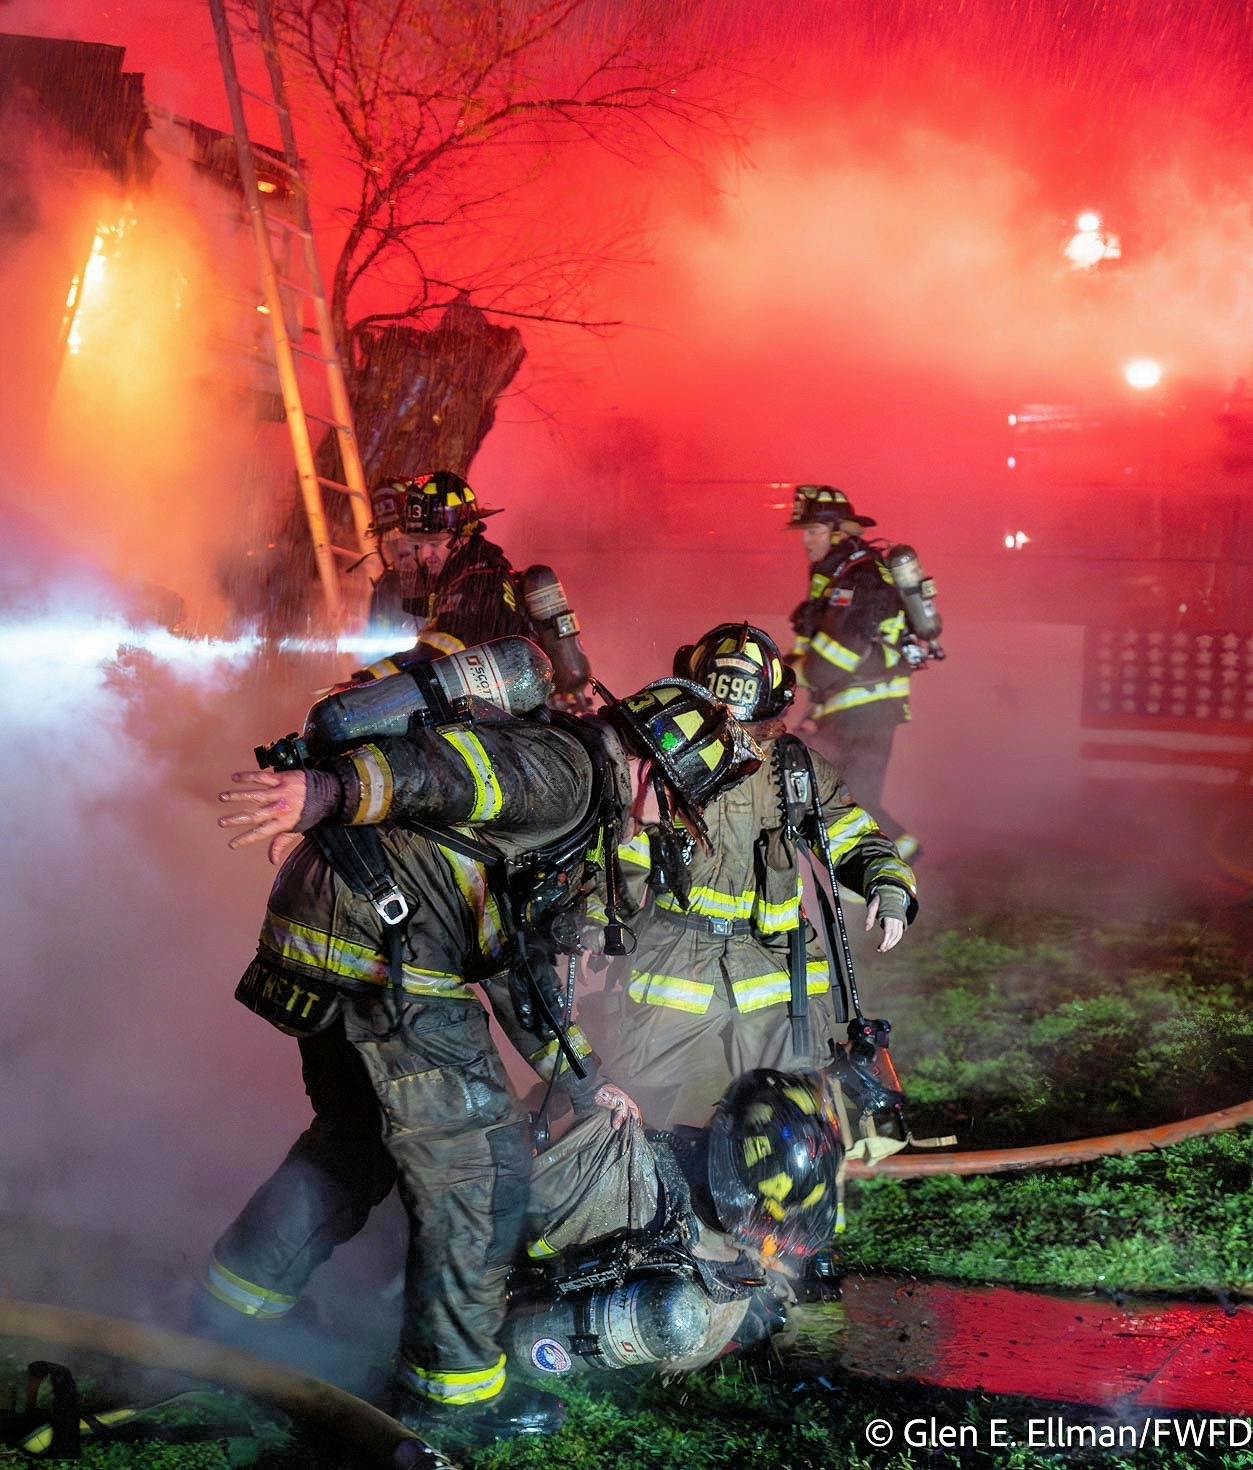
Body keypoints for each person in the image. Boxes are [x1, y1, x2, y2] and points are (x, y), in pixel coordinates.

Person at [200, 660, 764, 1449]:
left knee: (354, 1142)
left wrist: (582, 1080)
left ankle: (231, 1313)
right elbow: (445, 772)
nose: (661, 826)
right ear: (655, 774)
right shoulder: (567, 772)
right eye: (673, 806)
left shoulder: (583, 807)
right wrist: (322, 795)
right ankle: (451, 1401)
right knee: (482, 1172)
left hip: (339, 937)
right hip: (387, 958)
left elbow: (513, 967)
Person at [594, 623, 917, 1131]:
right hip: (675, 959)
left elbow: (851, 834)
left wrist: (889, 885)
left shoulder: (796, 768)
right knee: (625, 1107)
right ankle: (627, 1201)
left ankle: (788, 1201)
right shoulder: (658, 765)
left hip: (776, 967)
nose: (734, 737)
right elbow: (622, 851)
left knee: (795, 1120)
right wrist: (598, 916)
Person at [786, 484, 919, 857]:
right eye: (804, 532)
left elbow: (835, 659)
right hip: (846, 709)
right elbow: (813, 644)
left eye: (813, 531)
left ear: (839, 531)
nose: (806, 541)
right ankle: (888, 872)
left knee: (856, 803)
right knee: (836, 799)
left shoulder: (860, 579)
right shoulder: (834, 577)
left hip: (868, 710)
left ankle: (905, 869)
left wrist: (788, 679)